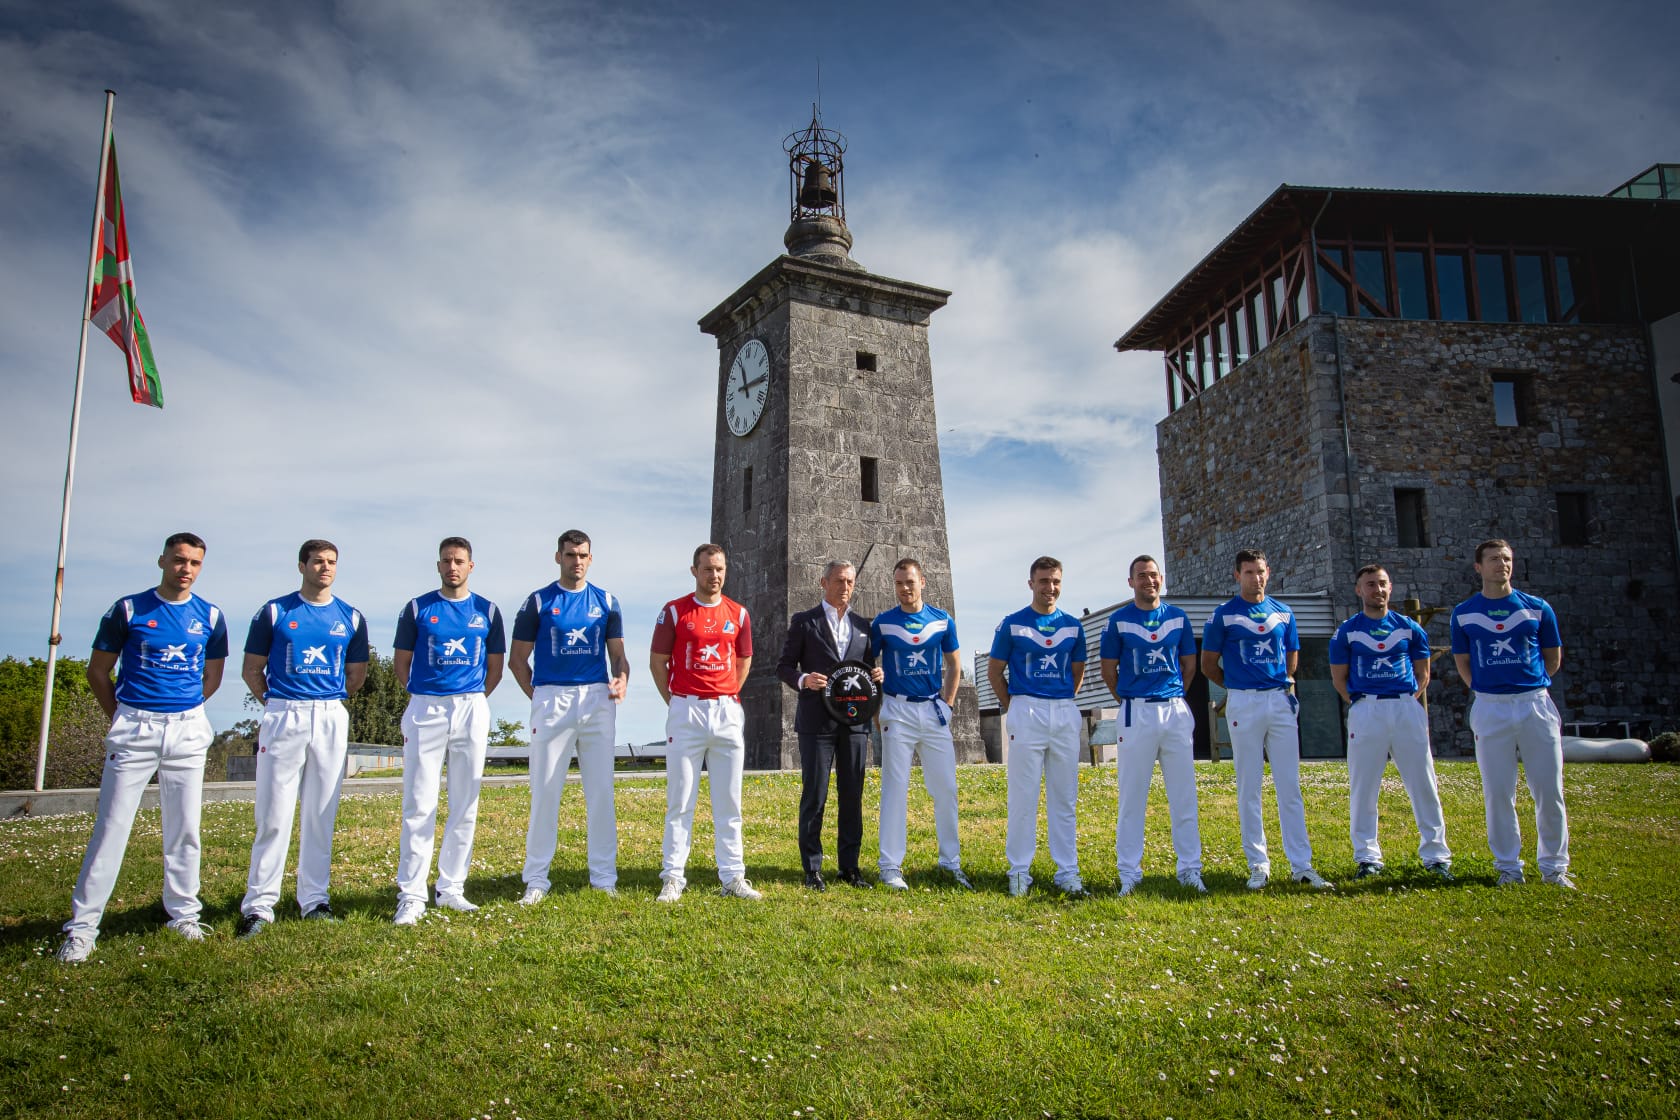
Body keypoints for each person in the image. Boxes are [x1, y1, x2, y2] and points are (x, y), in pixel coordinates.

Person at [56, 533, 229, 963]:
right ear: (162, 561)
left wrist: (181, 710)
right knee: (111, 829)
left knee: (185, 829)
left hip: (187, 729)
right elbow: (99, 671)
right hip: (135, 726)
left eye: (194, 563)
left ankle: (184, 914)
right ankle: (82, 928)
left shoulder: (210, 616)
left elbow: (212, 676)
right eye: (178, 560)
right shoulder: (128, 609)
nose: (185, 569)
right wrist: (120, 713)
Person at [236, 539, 369, 936]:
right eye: (317, 562)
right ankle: (259, 906)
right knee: (274, 814)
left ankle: (314, 899)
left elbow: (356, 674)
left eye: (331, 562)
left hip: (329, 714)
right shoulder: (275, 611)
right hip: (284, 712)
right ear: (302, 566)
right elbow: (251, 669)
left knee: (320, 813)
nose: (324, 568)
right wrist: (277, 702)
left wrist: (325, 701)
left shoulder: (351, 616)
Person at [389, 536, 506, 925]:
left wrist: (469, 698)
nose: (452, 567)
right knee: (420, 803)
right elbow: (401, 663)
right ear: (438, 565)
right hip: (427, 706)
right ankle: (411, 894)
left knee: (465, 802)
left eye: (459, 561)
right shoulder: (418, 608)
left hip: (472, 706)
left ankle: (451, 888)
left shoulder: (487, 611)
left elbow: (495, 667)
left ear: (471, 565)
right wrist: (427, 695)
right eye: (446, 561)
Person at [1200, 548, 1330, 890]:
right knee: (1249, 787)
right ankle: (1258, 864)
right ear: (1236, 575)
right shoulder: (1223, 615)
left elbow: (1292, 655)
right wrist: (1238, 686)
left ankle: (1301, 865)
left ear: (1268, 573)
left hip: (1280, 701)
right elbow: (1208, 664)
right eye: (1248, 572)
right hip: (1244, 703)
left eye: (1260, 571)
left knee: (1290, 786)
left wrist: (1284, 682)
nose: (1255, 578)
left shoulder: (1284, 612)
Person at [510, 529, 628, 903]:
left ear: (591, 559)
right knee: (545, 791)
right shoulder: (538, 602)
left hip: (596, 699)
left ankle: (604, 877)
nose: (576, 561)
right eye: (570, 554)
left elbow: (618, 656)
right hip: (551, 697)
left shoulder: (607, 601)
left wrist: (621, 679)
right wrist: (541, 695)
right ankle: (537, 879)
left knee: (601, 792)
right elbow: (517, 660)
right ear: (558, 557)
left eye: (583, 555)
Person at [1450, 538, 1571, 889]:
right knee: (1498, 791)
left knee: (1549, 790)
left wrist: (1528, 685)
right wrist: (1490, 690)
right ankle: (1508, 866)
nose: (1501, 565)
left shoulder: (1537, 608)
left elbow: (1552, 658)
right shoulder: (1465, 612)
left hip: (1534, 702)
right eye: (1493, 559)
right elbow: (1464, 664)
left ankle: (1554, 868)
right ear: (1478, 567)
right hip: (1491, 707)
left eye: (1506, 559)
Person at [649, 544, 759, 902]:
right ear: (694, 571)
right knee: (680, 800)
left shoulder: (738, 613)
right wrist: (678, 701)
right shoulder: (674, 611)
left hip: (726, 712)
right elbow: (658, 662)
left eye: (721, 569)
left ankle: (733, 877)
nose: (715, 576)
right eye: (708, 569)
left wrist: (724, 694)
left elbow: (743, 661)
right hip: (686, 711)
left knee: (730, 801)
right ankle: (673, 877)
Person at [1330, 564, 1453, 882]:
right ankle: (1368, 857)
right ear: (1359, 590)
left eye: (1382, 583)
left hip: (1405, 708)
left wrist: (1406, 700)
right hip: (1366, 709)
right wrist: (1359, 704)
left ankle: (1437, 857)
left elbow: (1422, 673)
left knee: (1423, 784)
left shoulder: (1410, 628)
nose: (1377, 590)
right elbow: (1339, 679)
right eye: (1370, 584)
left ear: (1391, 587)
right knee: (1363, 787)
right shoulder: (1347, 631)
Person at [1098, 555, 1205, 896]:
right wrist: (1130, 699)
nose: (1149, 581)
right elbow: (1108, 671)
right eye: (1142, 575)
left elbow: (1189, 665)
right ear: (1131, 582)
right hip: (1136, 712)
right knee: (1132, 798)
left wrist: (1172, 696)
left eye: (1154, 575)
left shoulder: (1178, 618)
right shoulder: (1118, 621)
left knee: (1184, 796)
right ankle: (1129, 873)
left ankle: (1190, 870)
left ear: (1162, 579)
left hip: (1174, 710)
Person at [988, 556, 1088, 898]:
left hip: (1062, 710)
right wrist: (1015, 705)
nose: (1050, 588)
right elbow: (994, 672)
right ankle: (1019, 871)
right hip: (1025, 708)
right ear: (1031, 583)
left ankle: (1068, 872)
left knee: (1065, 797)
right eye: (1044, 581)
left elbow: (1077, 671)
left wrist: (1060, 701)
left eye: (1056, 581)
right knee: (1023, 796)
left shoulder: (1074, 626)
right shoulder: (1012, 624)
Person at [870, 557, 970, 891]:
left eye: (910, 582)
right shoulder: (883, 623)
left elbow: (955, 665)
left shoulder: (942, 620)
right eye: (898, 583)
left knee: (945, 788)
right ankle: (890, 866)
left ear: (922, 582)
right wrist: (878, 710)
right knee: (895, 789)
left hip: (933, 710)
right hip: (897, 711)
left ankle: (950, 863)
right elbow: (869, 667)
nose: (904, 588)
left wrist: (949, 703)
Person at [777, 560, 876, 890]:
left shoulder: (864, 626)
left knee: (852, 796)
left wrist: (878, 676)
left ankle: (850, 868)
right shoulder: (805, 622)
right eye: (839, 581)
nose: (845, 587)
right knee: (815, 795)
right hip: (816, 723)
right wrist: (804, 679)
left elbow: (869, 671)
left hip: (855, 724)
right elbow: (784, 667)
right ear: (824, 582)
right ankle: (812, 869)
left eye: (850, 581)